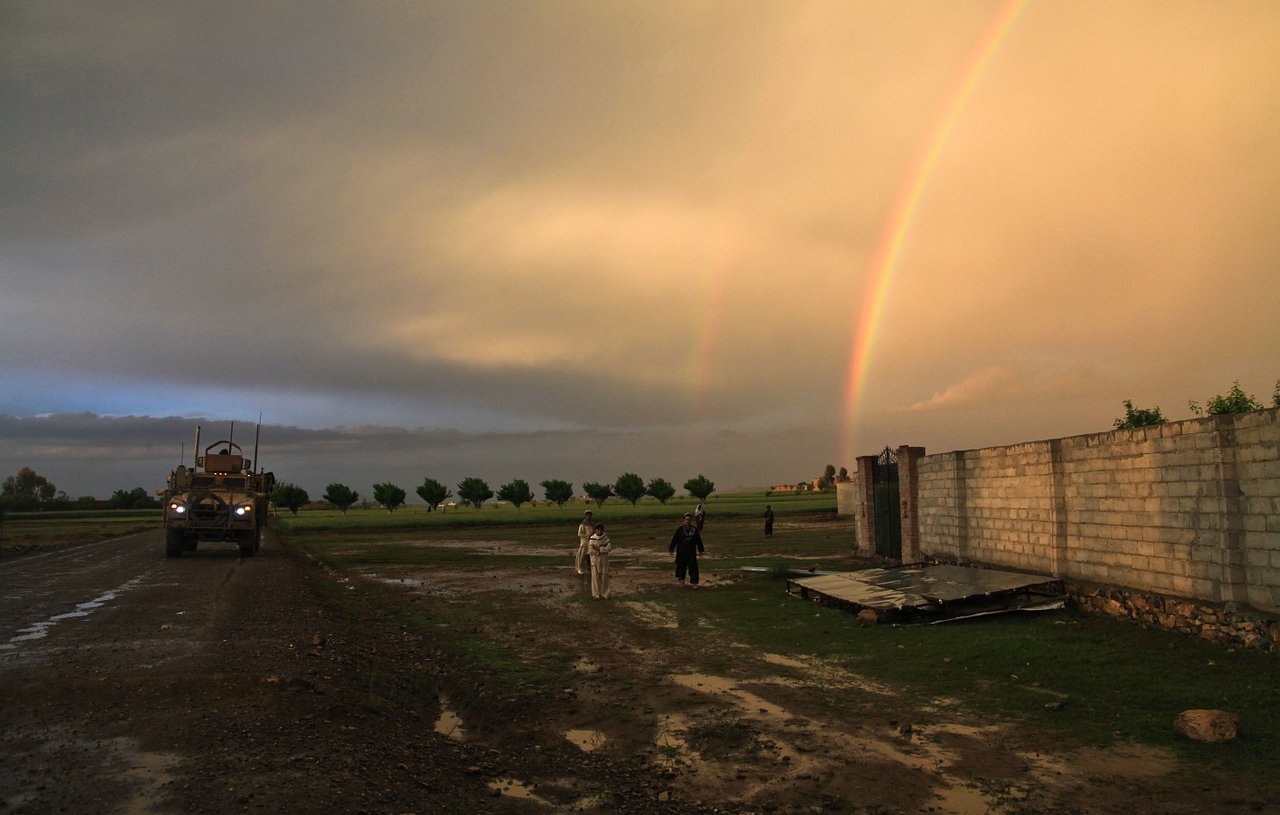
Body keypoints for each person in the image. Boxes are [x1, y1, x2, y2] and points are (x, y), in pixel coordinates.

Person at [668, 512, 705, 587]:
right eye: (686, 520)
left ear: (691, 521)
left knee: (693, 567)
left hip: (691, 552)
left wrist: (701, 550)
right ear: (684, 520)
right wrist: (671, 549)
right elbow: (674, 539)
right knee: (681, 566)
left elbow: (698, 541)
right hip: (681, 552)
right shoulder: (680, 530)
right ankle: (681, 581)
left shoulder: (694, 530)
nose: (687, 521)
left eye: (689, 520)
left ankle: (694, 583)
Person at [588, 522, 612, 599]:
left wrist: (598, 549)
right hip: (594, 560)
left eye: (601, 530)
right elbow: (591, 550)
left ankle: (605, 593)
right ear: (595, 530)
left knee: (605, 576)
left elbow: (608, 548)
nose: (599, 531)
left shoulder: (605, 538)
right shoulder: (592, 539)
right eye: (598, 530)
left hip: (604, 560)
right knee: (595, 577)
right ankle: (596, 594)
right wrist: (601, 550)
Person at [575, 511, 593, 575]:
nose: (589, 516)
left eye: (590, 515)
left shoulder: (592, 523)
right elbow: (579, 534)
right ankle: (579, 568)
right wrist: (586, 536)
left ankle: (589, 568)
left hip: (590, 542)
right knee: (582, 556)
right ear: (585, 516)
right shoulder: (582, 524)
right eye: (587, 515)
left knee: (589, 556)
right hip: (584, 542)